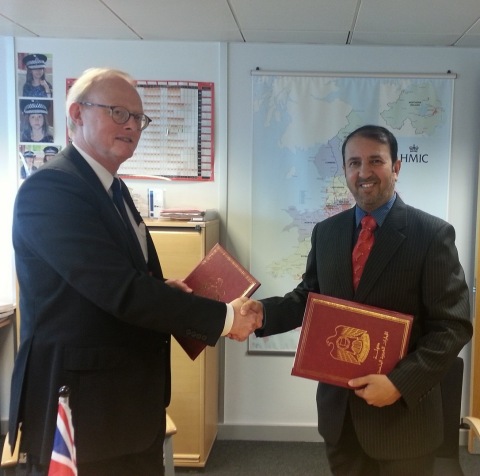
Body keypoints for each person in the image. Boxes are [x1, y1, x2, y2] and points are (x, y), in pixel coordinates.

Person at [8, 67, 262, 476]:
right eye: (117, 112)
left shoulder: (114, 188)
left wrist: (163, 287)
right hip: (83, 408)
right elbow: (119, 291)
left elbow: (113, 277)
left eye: (138, 118)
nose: (132, 126)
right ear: (76, 113)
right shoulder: (52, 190)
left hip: (124, 405)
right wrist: (226, 318)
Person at [242, 125, 472, 476]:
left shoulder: (432, 235)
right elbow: (311, 298)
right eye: (354, 163)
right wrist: (263, 314)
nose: (364, 172)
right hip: (341, 417)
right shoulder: (327, 233)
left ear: (396, 167)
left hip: (404, 423)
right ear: (345, 171)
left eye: (375, 161)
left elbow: (452, 326)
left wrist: (400, 383)